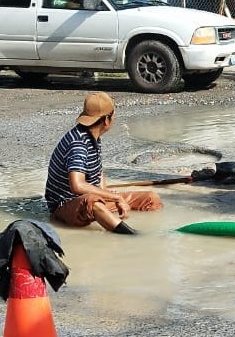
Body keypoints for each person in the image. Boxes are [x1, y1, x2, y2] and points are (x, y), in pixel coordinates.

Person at [45, 92, 163, 234]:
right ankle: (132, 235)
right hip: (66, 205)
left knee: (151, 199)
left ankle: (155, 232)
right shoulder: (78, 144)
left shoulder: (93, 136)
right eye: (113, 115)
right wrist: (116, 197)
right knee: (92, 203)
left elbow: (98, 172)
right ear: (106, 120)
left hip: (93, 200)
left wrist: (106, 193)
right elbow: (77, 185)